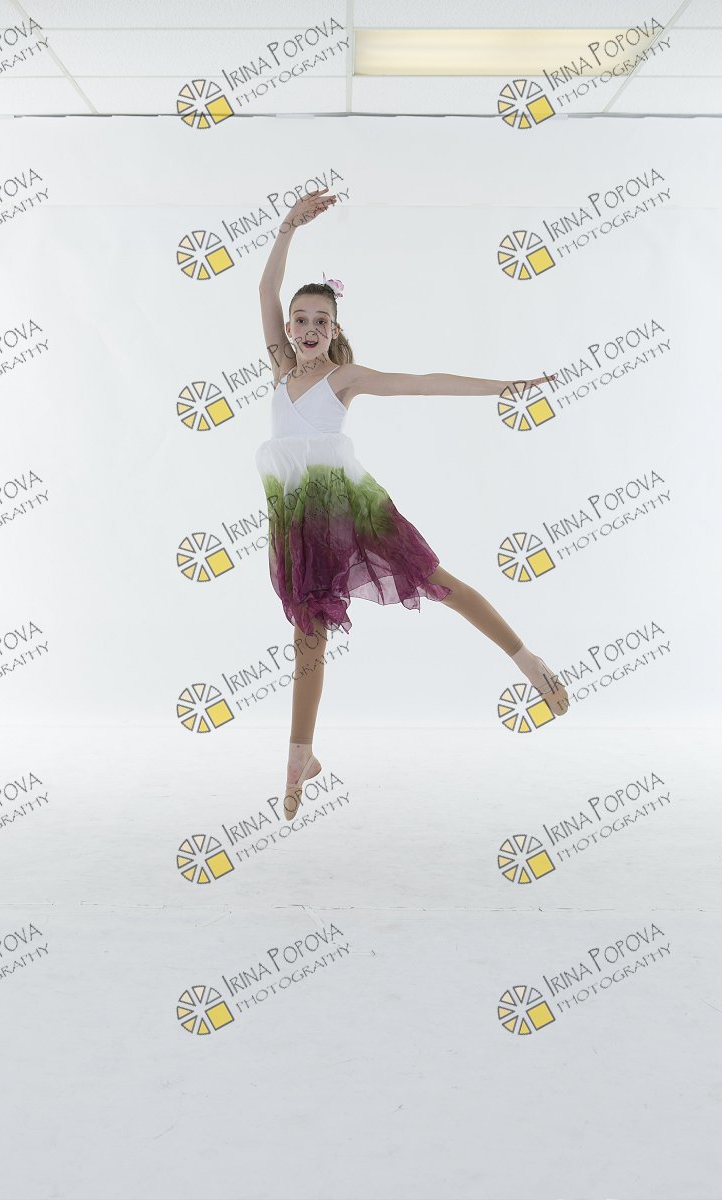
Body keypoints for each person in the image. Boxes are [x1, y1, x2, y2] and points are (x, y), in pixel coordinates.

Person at [255, 188, 569, 820]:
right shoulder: (281, 369)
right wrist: (289, 224)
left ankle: (529, 662)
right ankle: (299, 758)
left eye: (321, 321)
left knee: (436, 582)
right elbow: (266, 289)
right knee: (307, 630)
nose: (310, 330)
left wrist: (505, 387)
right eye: (301, 320)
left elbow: (424, 384)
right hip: (299, 522)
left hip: (351, 507)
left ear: (335, 330)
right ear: (288, 329)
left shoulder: (344, 378)